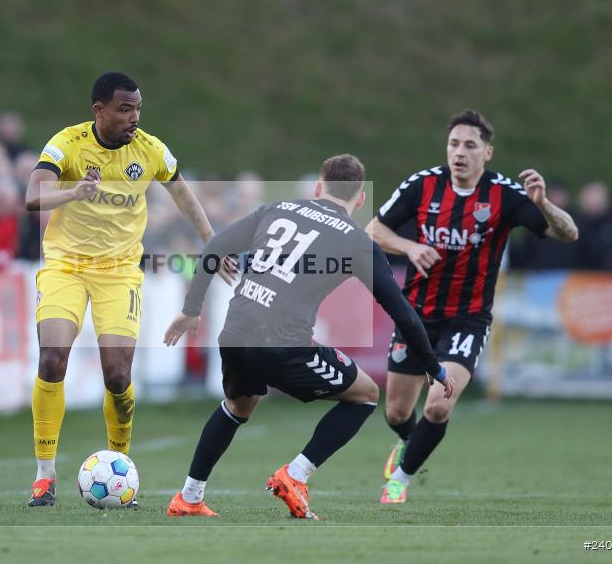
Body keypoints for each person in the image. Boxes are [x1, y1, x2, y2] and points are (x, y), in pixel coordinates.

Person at [161, 155, 453, 520]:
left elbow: (215, 247)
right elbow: (403, 312)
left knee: (239, 405)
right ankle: (295, 475)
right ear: (359, 199)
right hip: (283, 345)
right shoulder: (355, 241)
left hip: (235, 330)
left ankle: (189, 497)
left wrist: (192, 309)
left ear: (318, 186)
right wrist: (433, 366)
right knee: (365, 395)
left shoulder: (277, 208)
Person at [23, 71, 233, 507]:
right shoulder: (68, 143)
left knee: (117, 375)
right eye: (124, 109)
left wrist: (213, 243)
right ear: (99, 110)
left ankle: (120, 470)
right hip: (65, 266)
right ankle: (44, 474)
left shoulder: (151, 151)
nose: (134, 117)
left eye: (137, 108)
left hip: (119, 273)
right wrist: (73, 193)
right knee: (51, 359)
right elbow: (32, 196)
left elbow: (185, 199)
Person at [366, 110, 578, 504]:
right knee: (396, 412)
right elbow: (373, 230)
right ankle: (410, 444)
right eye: (453, 143)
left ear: (488, 152)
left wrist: (544, 204)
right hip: (415, 314)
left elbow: (568, 233)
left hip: (468, 318)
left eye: (469, 145)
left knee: (439, 404)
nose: (459, 153)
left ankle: (400, 479)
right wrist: (410, 247)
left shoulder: (506, 195)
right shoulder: (423, 184)